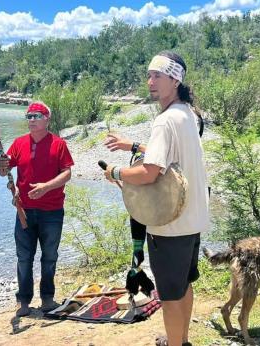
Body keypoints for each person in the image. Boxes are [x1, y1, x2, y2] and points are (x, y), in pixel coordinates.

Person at [103, 51, 210, 346]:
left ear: (175, 79)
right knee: (184, 285)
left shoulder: (165, 121)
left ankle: (176, 343)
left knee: (170, 295)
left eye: (158, 76)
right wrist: (132, 144)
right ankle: (181, 339)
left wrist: (116, 172)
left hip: (169, 226)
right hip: (192, 219)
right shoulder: (188, 113)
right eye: (149, 75)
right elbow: (168, 154)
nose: (150, 82)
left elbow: (150, 171)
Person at [0, 101, 74, 317]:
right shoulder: (19, 143)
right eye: (28, 116)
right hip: (25, 211)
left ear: (47, 119)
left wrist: (46, 187)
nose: (31, 120)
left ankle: (47, 299)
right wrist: (1, 166)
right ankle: (23, 301)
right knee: (24, 257)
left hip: (52, 211)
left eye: (36, 116)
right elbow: (4, 171)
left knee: (49, 256)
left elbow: (67, 173)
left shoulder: (58, 144)